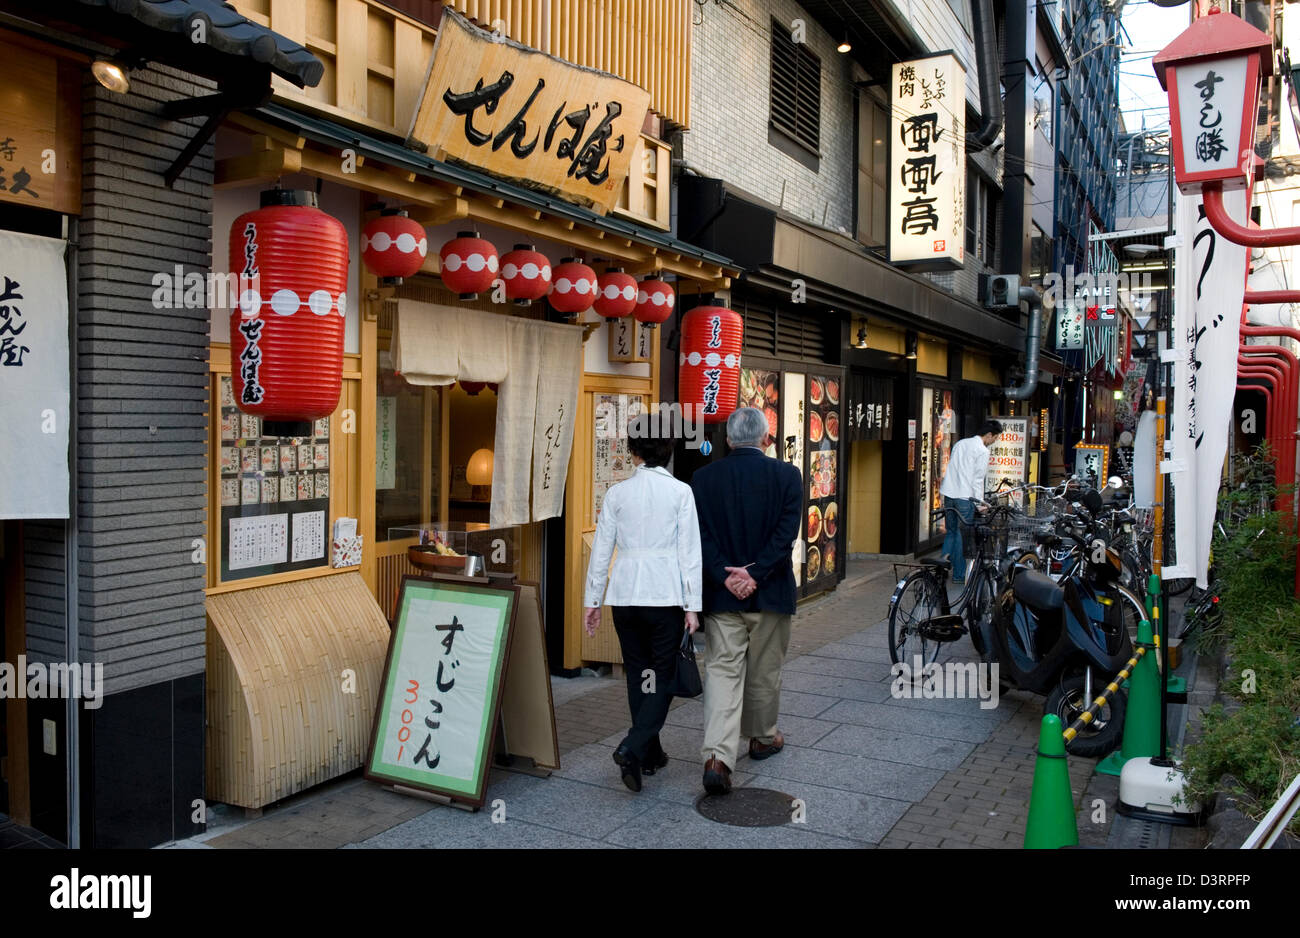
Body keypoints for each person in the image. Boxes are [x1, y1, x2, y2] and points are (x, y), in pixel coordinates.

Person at [583, 414, 702, 793]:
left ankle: (650, 754)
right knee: (661, 677)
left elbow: (602, 552)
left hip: (625, 596)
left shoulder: (617, 494)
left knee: (640, 675)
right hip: (665, 596)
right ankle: (633, 746)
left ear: (632, 451)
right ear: (668, 449)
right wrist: (692, 605)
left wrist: (592, 601)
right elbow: (690, 554)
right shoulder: (681, 492)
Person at [690, 406, 802, 796]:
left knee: (722, 672)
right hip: (770, 592)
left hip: (723, 595)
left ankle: (718, 758)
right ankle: (762, 738)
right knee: (765, 670)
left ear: (728, 438)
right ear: (765, 439)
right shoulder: (788, 476)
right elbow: (786, 535)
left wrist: (726, 573)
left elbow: (700, 538)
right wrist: (755, 574)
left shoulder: (703, 479)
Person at [938, 419, 1002, 583]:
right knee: (961, 535)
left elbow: (952, 467)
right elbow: (978, 479)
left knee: (951, 533)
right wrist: (980, 503)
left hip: (949, 493)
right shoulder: (982, 450)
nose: (994, 442)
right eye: (994, 438)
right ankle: (959, 575)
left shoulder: (960, 443)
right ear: (988, 435)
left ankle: (939, 570)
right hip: (964, 497)